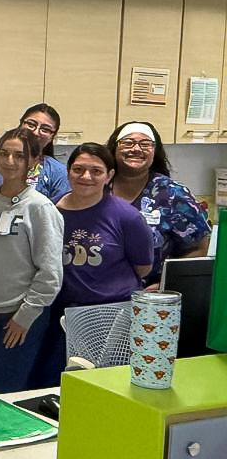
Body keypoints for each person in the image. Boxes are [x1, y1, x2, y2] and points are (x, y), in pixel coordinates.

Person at [31, 143, 153, 388]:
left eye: (96, 171)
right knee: (53, 385)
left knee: (104, 388)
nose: (86, 177)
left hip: (110, 319)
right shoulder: (50, 210)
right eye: (78, 169)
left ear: (109, 176)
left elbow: (143, 268)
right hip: (59, 315)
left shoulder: (126, 217)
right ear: (68, 172)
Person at [0, 128, 63, 393]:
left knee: (11, 390)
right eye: (4, 154)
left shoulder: (39, 208)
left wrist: (25, 316)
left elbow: (50, 273)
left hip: (19, 316)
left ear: (32, 161)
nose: (9, 161)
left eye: (19, 156)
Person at [105, 121, 211, 287]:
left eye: (145, 144)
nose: (136, 149)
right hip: (96, 293)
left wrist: (165, 284)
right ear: (114, 148)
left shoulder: (173, 195)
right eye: (128, 142)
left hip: (150, 297)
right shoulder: (96, 188)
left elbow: (198, 247)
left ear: (155, 152)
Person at [0, 103, 68, 201]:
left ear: (52, 137)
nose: (35, 132)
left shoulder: (59, 173)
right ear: (20, 124)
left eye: (45, 129)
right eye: (31, 124)